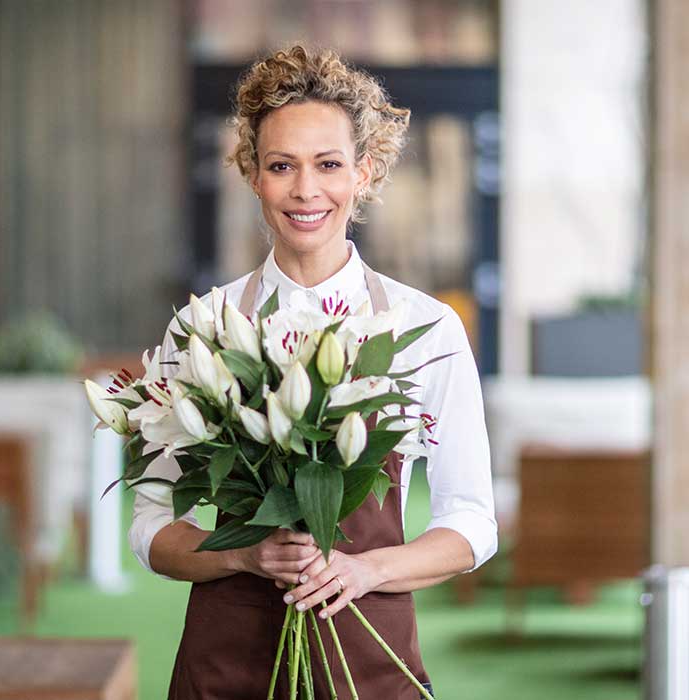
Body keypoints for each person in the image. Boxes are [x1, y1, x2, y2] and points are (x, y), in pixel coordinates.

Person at [131, 44, 497, 698]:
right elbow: (151, 526)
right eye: (281, 166)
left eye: (328, 164)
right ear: (252, 173)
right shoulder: (202, 327)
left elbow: (471, 523)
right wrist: (241, 553)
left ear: (365, 171)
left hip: (368, 645)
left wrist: (367, 569)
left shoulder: (426, 329)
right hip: (228, 657)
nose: (306, 190)